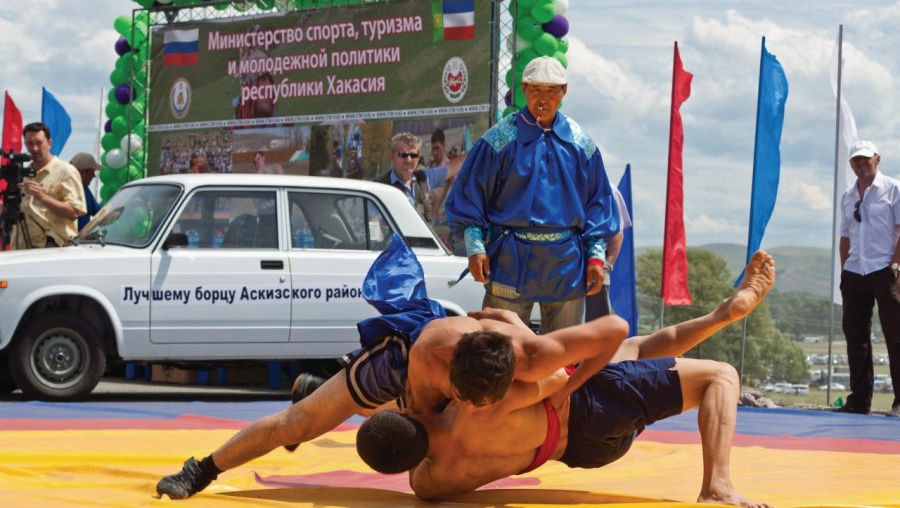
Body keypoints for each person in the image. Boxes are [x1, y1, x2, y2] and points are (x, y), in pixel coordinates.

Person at [155, 236, 627, 500]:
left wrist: (569, 389)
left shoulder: (531, 355)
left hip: (479, 348)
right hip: (401, 360)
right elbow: (414, 426)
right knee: (301, 423)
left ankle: (320, 388)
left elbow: (614, 331)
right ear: (453, 382)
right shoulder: (422, 357)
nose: (469, 408)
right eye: (465, 399)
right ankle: (202, 469)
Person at [357, 252, 777, 508]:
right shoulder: (473, 410)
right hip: (590, 407)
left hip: (584, 451)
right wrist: (517, 327)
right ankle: (717, 486)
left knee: (635, 350)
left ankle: (720, 316)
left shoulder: (430, 483)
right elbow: (556, 378)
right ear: (409, 414)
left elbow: (404, 442)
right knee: (719, 376)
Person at [445, 56, 619, 333]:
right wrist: (475, 248)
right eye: (536, 89)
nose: (543, 97)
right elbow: (469, 197)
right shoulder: (498, 140)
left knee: (563, 353)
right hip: (510, 259)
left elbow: (598, 204)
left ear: (564, 92)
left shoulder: (581, 143)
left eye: (552, 90)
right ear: (524, 88)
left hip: (566, 264)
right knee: (497, 347)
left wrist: (596, 257)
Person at [837, 140, 900, 416]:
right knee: (856, 338)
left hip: (885, 269)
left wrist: (896, 263)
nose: (860, 164)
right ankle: (859, 400)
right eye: (855, 160)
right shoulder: (848, 196)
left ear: (877, 159)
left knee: (896, 335)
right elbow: (845, 236)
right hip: (855, 271)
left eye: (865, 159)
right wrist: (844, 272)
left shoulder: (893, 188)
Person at [8, 122, 86, 249]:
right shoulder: (22, 174)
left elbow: (73, 213)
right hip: (20, 249)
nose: (34, 149)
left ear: (49, 143)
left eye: (39, 143)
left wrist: (42, 197)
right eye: (30, 144)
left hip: (50, 250)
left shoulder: (66, 171)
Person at [378, 132, 463, 227]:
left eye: (413, 155)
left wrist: (480, 145)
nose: (409, 159)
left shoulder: (424, 178)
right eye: (403, 155)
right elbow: (374, 227)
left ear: (418, 157)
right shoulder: (380, 187)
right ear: (392, 156)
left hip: (425, 240)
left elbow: (453, 167)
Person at [585, 185, 632, 319]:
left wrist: (606, 265)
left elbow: (617, 233)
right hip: (564, 265)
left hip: (597, 268)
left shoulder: (609, 189)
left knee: (596, 328)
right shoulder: (564, 181)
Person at [69, 152, 102, 231]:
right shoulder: (65, 189)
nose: (94, 176)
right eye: (92, 172)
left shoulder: (85, 189)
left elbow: (98, 212)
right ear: (84, 173)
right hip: (67, 240)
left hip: (81, 241)